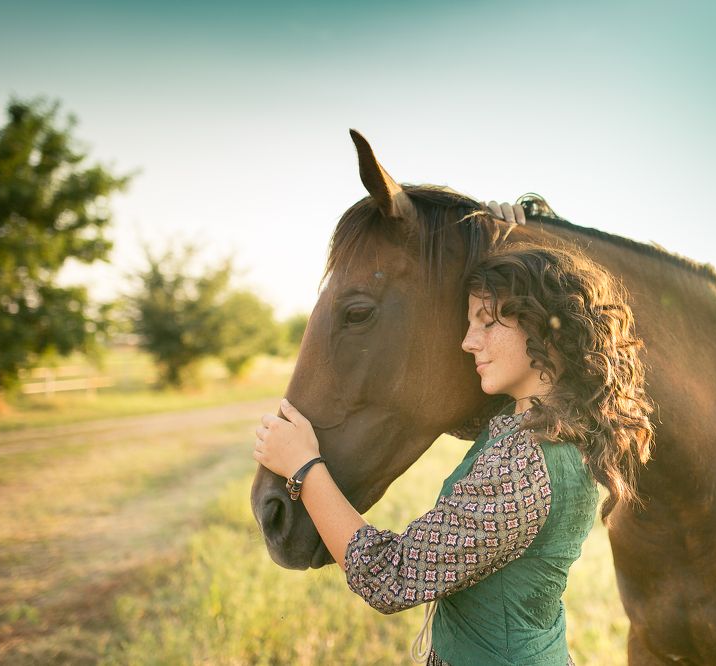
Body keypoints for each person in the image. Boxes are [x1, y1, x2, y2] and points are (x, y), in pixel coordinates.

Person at [253, 203, 654, 665]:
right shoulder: (548, 423)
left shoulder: (523, 465)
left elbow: (392, 577)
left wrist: (305, 466)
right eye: (469, 322)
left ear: (542, 326)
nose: (467, 341)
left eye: (487, 321)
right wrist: (509, 234)